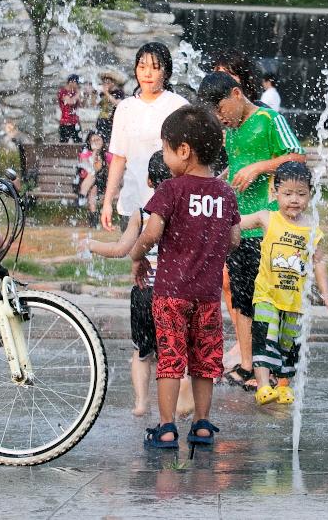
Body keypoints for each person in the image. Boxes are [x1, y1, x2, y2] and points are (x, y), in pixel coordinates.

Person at [130, 106, 240, 449]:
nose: (164, 156)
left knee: (171, 360)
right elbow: (234, 239)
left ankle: (165, 428)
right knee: (206, 362)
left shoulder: (172, 190)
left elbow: (151, 234)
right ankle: (203, 425)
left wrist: (137, 256)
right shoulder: (225, 193)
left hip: (171, 294)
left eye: (165, 148)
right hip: (207, 295)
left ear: (183, 151)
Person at [196, 71, 306, 392]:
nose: (219, 118)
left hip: (271, 226)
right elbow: (239, 163)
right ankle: (247, 364)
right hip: (240, 227)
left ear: (235, 94)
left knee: (268, 301)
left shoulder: (269, 120)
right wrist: (222, 179)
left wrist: (259, 167)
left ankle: (271, 368)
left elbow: (297, 157)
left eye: (220, 110)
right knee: (242, 299)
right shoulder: (230, 132)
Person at [84, 151, 192, 419]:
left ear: (148, 181)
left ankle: (142, 403)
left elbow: (122, 249)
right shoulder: (186, 213)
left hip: (144, 294)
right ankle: (181, 399)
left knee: (141, 353)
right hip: (175, 293)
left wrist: (92, 245)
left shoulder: (142, 215)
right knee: (178, 351)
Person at [237, 162, 328, 406]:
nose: (294, 200)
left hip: (294, 300)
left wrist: (326, 293)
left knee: (288, 344)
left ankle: (283, 386)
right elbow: (236, 222)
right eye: (288, 193)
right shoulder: (267, 218)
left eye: (301, 194)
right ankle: (262, 386)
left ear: (310, 195)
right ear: (275, 193)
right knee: (264, 338)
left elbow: (319, 262)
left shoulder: (312, 229)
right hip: (267, 295)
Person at [99, 43, 188, 231]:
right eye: (142, 67)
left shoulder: (179, 107)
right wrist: (107, 202)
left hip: (171, 204)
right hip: (133, 202)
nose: (147, 74)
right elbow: (118, 159)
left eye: (155, 68)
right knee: (137, 259)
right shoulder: (125, 108)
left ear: (166, 72)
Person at [77, 131, 108, 213]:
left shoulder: (105, 153)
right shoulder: (86, 152)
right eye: (93, 140)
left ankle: (82, 195)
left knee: (93, 178)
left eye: (97, 140)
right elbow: (86, 167)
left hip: (102, 181)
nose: (95, 142)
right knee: (93, 190)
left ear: (102, 141)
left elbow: (97, 168)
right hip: (85, 179)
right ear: (89, 142)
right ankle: (94, 218)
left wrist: (96, 153)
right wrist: (94, 152)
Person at [96, 69, 127, 144]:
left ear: (113, 83)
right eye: (104, 82)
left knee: (110, 142)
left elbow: (118, 103)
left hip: (112, 121)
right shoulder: (102, 93)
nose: (105, 84)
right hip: (101, 120)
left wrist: (106, 93)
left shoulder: (119, 92)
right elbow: (96, 105)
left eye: (108, 82)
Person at [57, 74, 83, 143]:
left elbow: (81, 104)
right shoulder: (62, 92)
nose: (77, 85)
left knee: (79, 143)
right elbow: (70, 102)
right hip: (65, 122)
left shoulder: (74, 92)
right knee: (63, 145)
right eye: (76, 83)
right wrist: (78, 94)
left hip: (75, 122)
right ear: (71, 82)